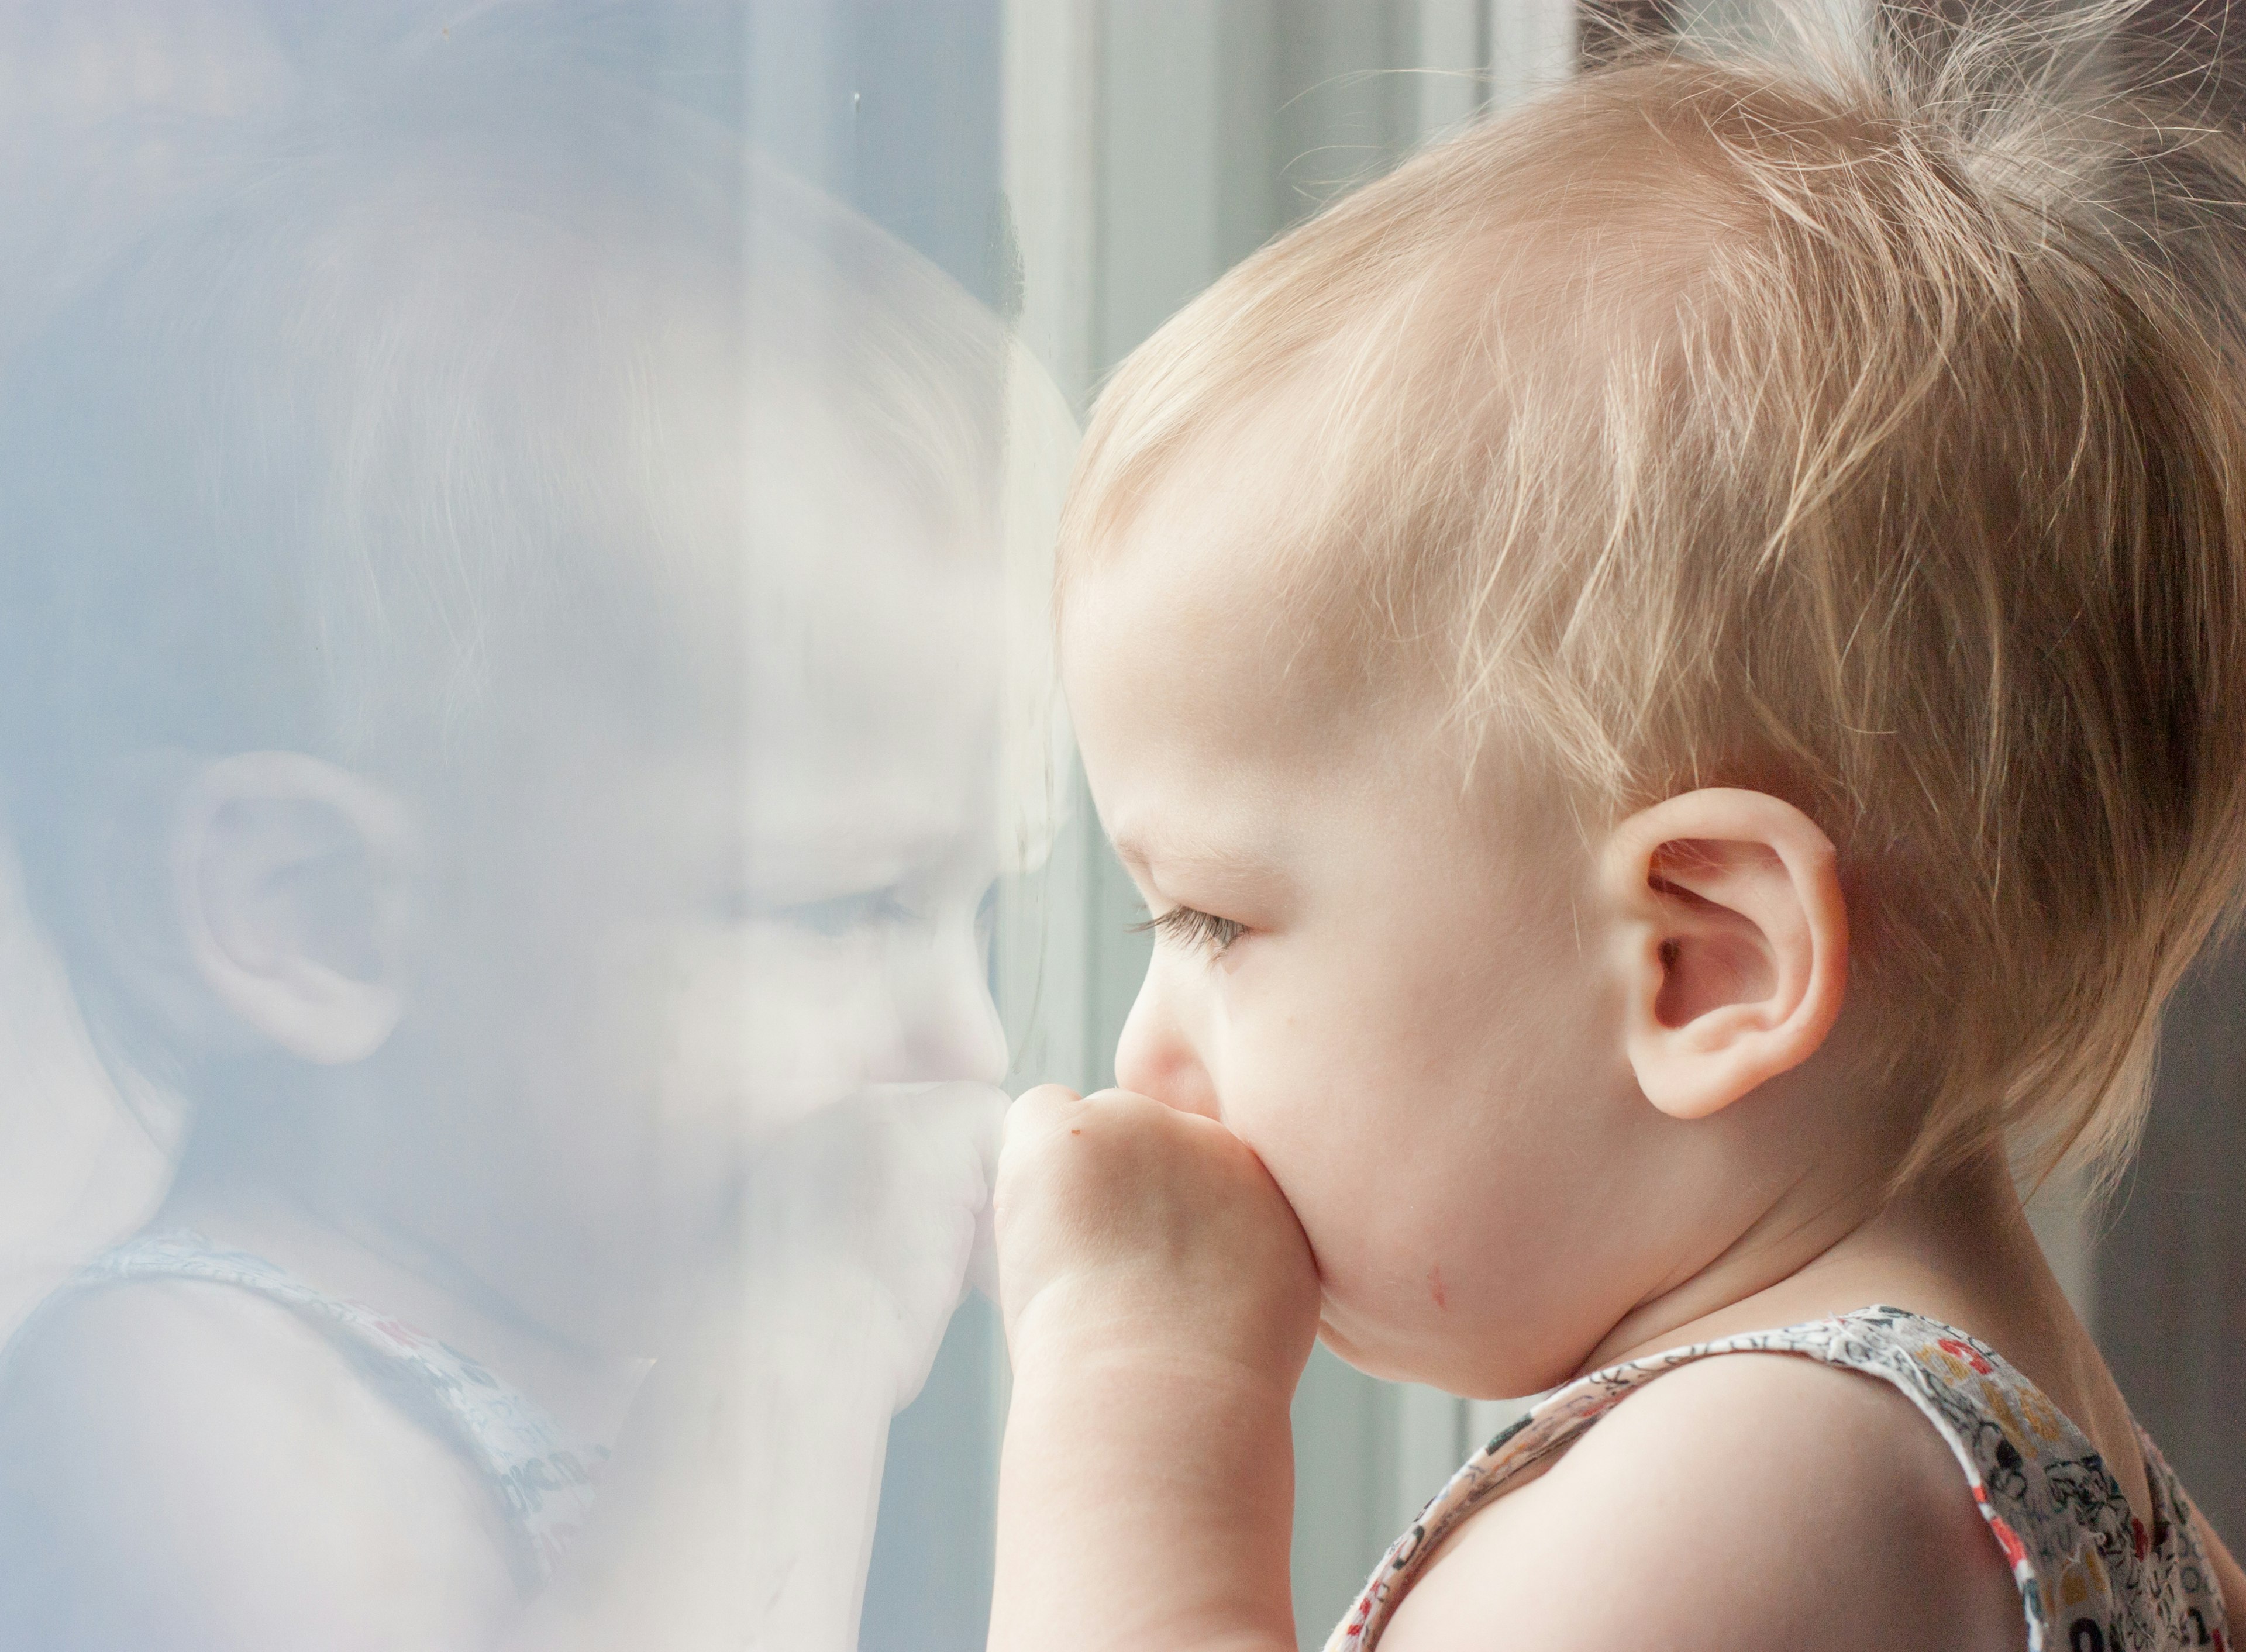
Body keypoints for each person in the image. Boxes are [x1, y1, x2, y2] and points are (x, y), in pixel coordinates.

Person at [989, 5, 2246, 1648]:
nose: (1153, 1062)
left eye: (1216, 922)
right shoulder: (2093, 1480)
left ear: (1703, 961)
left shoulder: (1753, 1492)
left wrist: (1133, 1398)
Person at [0, 30, 1055, 1651]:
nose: (960, 1045)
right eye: (846, 906)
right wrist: (796, 1341)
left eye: (973, 909)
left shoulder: (609, 1345)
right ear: (316, 916)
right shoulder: (170, 1403)